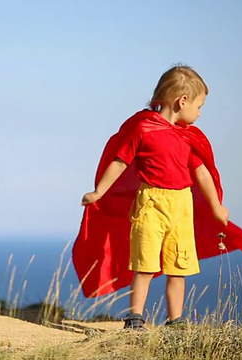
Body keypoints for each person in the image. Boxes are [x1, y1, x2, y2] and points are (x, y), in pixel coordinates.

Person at [80, 65, 230, 330]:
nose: (200, 112)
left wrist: (216, 206)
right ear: (182, 101)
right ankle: (135, 318)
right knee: (145, 265)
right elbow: (119, 161)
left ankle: (176, 322)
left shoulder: (187, 137)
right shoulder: (143, 129)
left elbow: (202, 173)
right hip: (150, 204)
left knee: (179, 268)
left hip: (182, 206)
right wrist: (98, 192)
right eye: (199, 105)